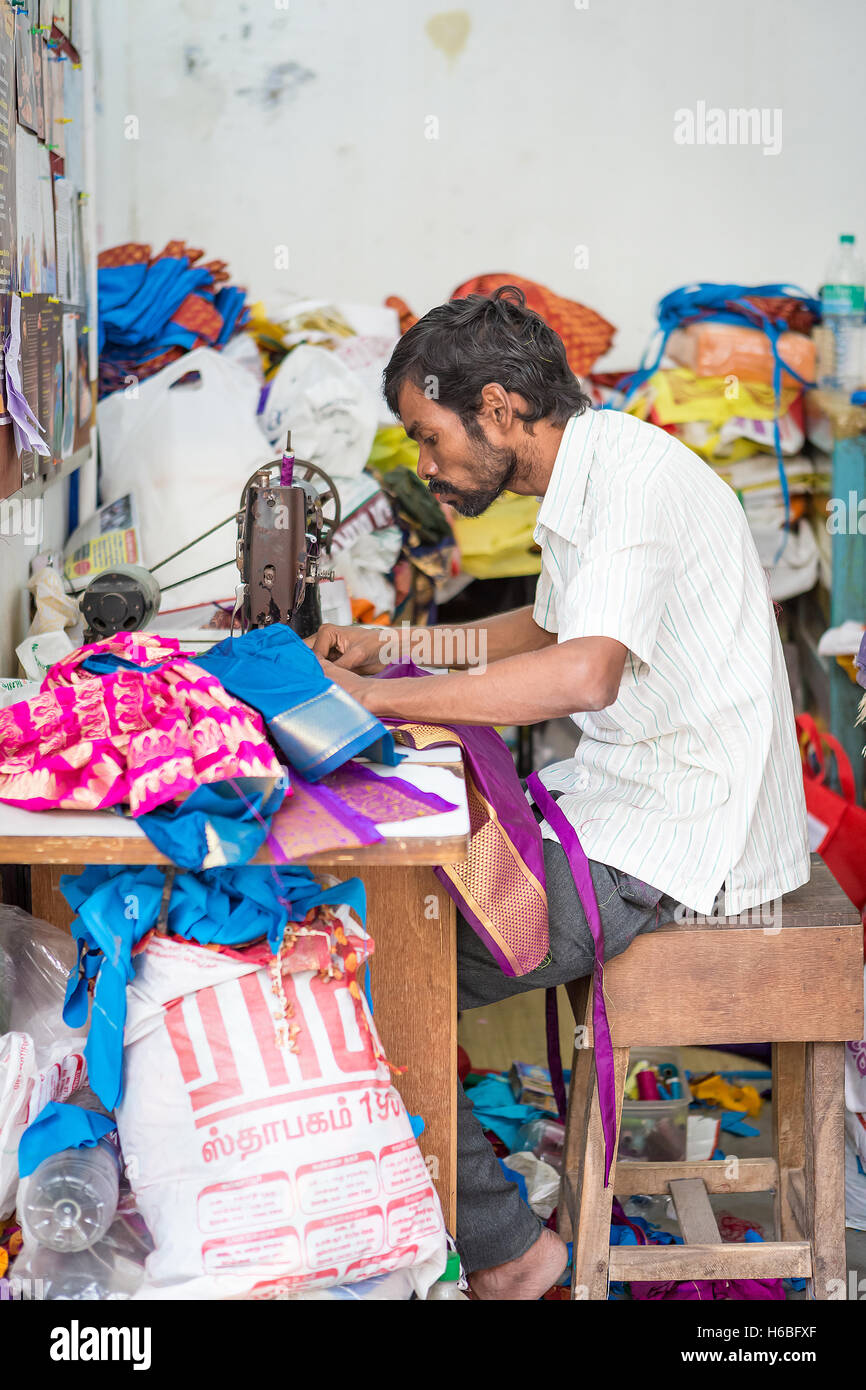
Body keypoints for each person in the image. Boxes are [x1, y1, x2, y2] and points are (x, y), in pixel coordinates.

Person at [308, 286, 810, 1299]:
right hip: (628, 807)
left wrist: (368, 695)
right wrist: (393, 647)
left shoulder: (624, 484)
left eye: (427, 433)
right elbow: (543, 632)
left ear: (496, 408)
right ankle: (464, 1221)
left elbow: (583, 675)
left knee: (362, 969)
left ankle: (508, 1251)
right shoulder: (593, 474)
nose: (424, 463)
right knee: (374, 926)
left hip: (670, 845)